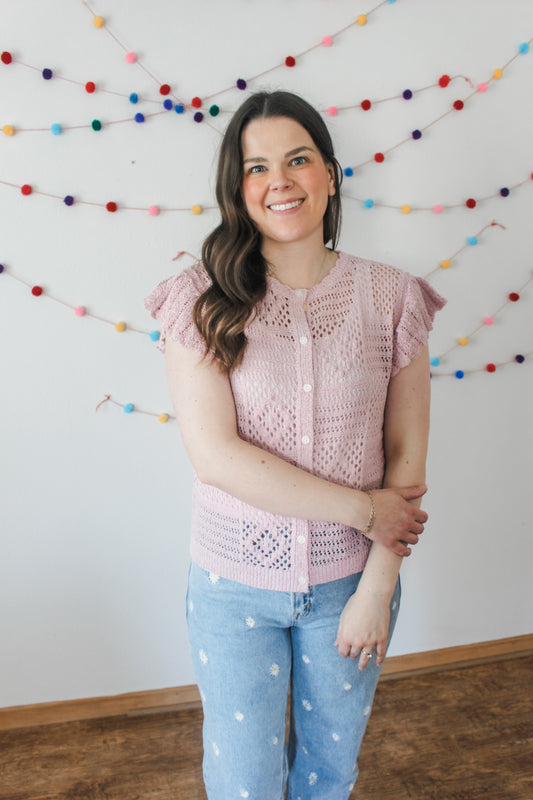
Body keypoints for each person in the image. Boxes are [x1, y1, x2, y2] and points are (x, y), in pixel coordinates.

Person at [144, 90, 446, 800]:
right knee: (243, 780)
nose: (278, 180)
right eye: (256, 167)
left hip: (351, 586)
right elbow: (215, 457)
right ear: (237, 188)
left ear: (330, 176)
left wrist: (378, 585)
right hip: (231, 586)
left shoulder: (392, 298)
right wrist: (362, 509)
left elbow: (405, 458)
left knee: (329, 771)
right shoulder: (200, 297)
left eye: (297, 159)